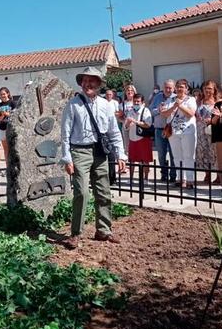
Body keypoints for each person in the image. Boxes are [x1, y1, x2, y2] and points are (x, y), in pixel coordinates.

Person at [60, 66, 126, 249]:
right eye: (85, 81)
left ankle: (103, 230)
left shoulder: (106, 105)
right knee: (81, 192)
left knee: (103, 191)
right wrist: (67, 158)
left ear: (99, 84)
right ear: (81, 83)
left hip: (100, 152)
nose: (88, 84)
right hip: (80, 152)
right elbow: (65, 133)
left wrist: (121, 155)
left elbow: (114, 132)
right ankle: (76, 233)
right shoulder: (73, 104)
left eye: (92, 81)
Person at [162, 78, 197, 188]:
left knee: (188, 156)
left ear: (187, 89)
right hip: (173, 132)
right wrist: (174, 106)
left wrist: (180, 105)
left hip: (187, 131)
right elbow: (164, 114)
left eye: (182, 87)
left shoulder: (190, 99)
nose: (179, 89)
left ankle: (190, 179)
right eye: (178, 87)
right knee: (177, 156)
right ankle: (180, 178)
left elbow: (190, 113)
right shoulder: (170, 100)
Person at [150, 80, 177, 182]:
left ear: (173, 88)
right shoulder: (157, 97)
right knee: (161, 154)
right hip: (159, 129)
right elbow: (151, 111)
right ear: (163, 88)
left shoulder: (176, 98)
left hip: (173, 129)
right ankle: (164, 173)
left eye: (170, 88)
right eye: (166, 87)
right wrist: (159, 110)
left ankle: (173, 175)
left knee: (173, 154)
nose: (168, 90)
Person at [124, 93, 153, 179]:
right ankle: (131, 178)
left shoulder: (146, 110)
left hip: (143, 138)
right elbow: (126, 127)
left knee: (145, 160)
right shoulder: (130, 111)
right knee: (132, 159)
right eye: (135, 101)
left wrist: (136, 122)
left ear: (142, 102)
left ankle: (146, 178)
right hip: (132, 138)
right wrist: (128, 123)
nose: (136, 103)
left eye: (138, 101)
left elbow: (148, 124)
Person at [195, 80, 219, 183]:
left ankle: (219, 175)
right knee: (203, 151)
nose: (207, 90)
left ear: (214, 90)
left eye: (209, 88)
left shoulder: (218, 101)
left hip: (213, 129)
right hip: (200, 129)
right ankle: (207, 174)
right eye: (205, 88)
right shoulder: (199, 101)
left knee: (215, 152)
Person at [0, 87, 16, 166]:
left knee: (13, 148)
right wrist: (2, 115)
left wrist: (7, 114)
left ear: (8, 94)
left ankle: (14, 165)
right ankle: (8, 167)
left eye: (4, 94)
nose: (2, 95)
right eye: (1, 94)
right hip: (3, 128)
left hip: (11, 128)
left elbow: (16, 115)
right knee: (5, 149)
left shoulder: (13, 103)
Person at [117, 84, 137, 149]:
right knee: (128, 147)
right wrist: (124, 121)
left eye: (132, 90)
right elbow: (119, 117)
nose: (130, 92)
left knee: (137, 145)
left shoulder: (138, 102)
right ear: (126, 92)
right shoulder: (122, 104)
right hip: (126, 128)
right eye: (128, 90)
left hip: (136, 126)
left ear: (134, 92)